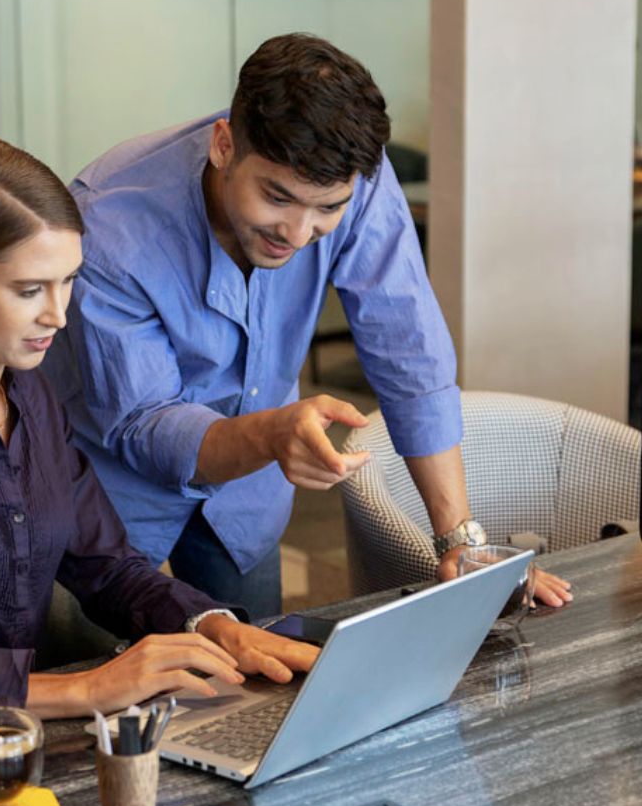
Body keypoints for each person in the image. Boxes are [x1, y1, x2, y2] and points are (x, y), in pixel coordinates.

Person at [0, 138, 317, 734]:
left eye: (68, 281)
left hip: (16, 736)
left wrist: (211, 625)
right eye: (29, 290)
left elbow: (108, 566)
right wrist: (87, 688)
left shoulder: (30, 394)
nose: (59, 315)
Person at [44, 33, 572, 619]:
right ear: (224, 146)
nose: (297, 233)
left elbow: (409, 353)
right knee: (100, 673)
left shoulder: (355, 179)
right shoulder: (110, 224)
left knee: (257, 674)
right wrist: (272, 436)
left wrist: (460, 543)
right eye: (277, 197)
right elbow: (144, 425)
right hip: (109, 498)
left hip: (245, 497)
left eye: (326, 209)